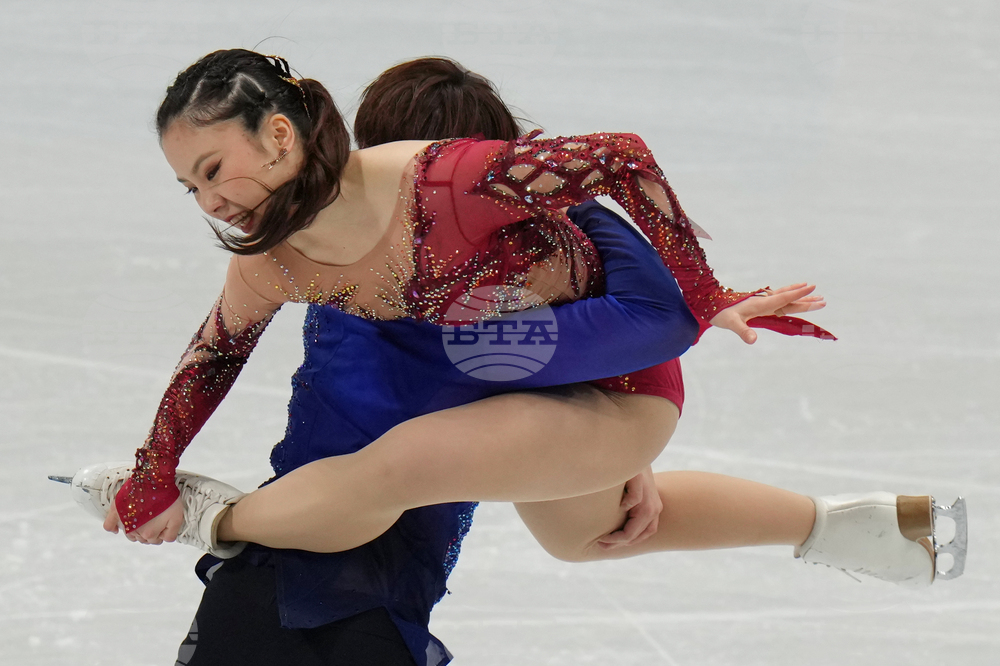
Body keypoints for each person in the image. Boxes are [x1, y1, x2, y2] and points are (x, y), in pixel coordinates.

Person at [71, 52, 963, 665]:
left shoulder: (488, 198)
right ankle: (850, 525)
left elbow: (637, 299)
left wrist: (699, 304)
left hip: (602, 371)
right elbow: (217, 350)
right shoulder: (315, 242)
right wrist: (154, 464)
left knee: (422, 454)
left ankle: (220, 520)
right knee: (583, 531)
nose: (209, 202)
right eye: (190, 185)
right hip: (532, 369)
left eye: (212, 172)